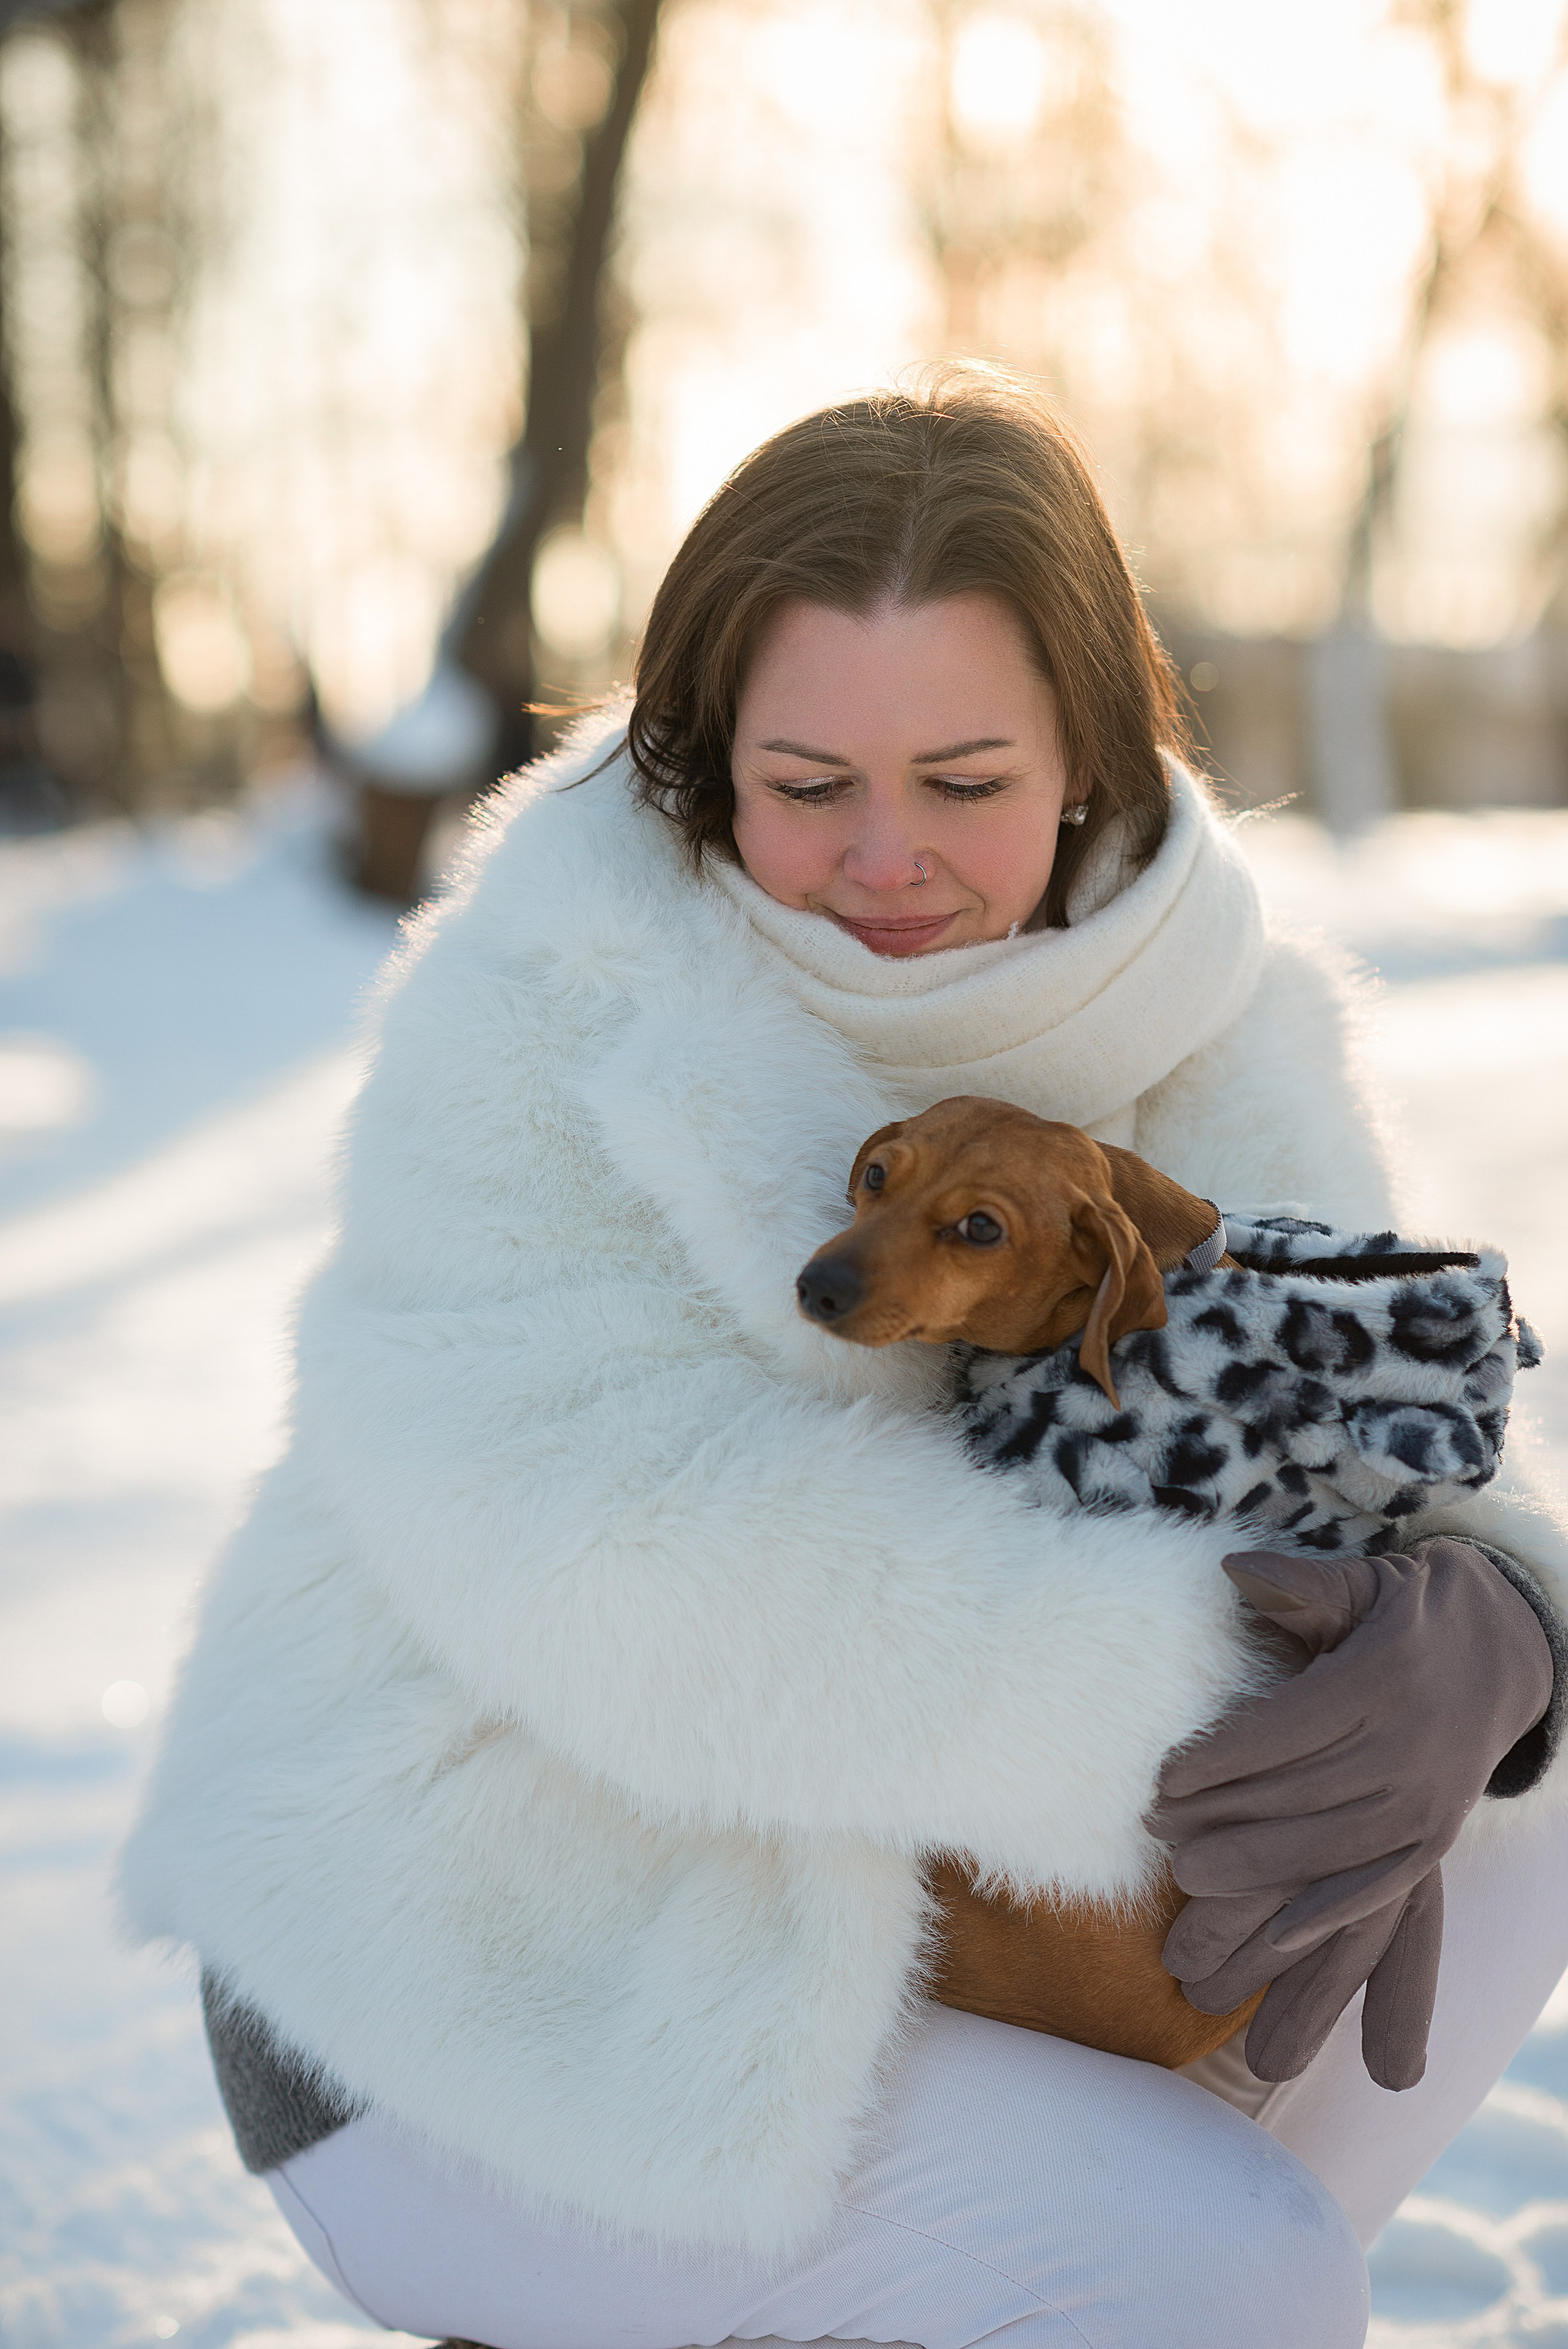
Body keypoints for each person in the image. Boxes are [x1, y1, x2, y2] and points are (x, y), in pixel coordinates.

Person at [123, 369, 1568, 2349]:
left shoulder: (1212, 1015)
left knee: (1508, 1791)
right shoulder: (551, 1013)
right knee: (1222, 2267)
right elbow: (644, 1570)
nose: (886, 858)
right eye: (808, 788)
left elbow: (1347, 1427)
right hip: (492, 1957)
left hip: (965, 1943)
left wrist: (1499, 1615)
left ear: (1090, 756)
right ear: (708, 766)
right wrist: (1274, 1684)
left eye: (964, 780)